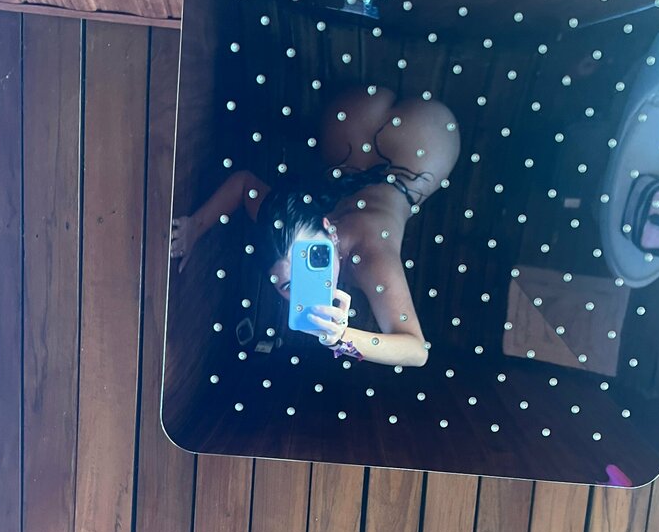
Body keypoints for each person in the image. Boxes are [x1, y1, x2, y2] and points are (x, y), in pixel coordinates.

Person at [171, 85, 461, 367]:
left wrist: (343, 338)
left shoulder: (371, 257)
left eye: (312, 258)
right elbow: (244, 184)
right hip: (377, 130)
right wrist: (195, 227)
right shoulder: (288, 228)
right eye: (287, 285)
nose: (306, 284)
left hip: (400, 133)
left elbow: (416, 351)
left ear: (329, 227)